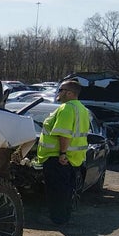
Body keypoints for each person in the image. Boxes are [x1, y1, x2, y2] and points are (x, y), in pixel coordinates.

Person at [36, 78, 90, 225]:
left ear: (70, 93)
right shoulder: (82, 109)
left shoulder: (66, 108)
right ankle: (63, 217)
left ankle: (57, 220)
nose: (58, 93)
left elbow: (64, 133)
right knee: (65, 191)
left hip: (58, 158)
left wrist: (62, 154)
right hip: (74, 158)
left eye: (61, 90)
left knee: (57, 191)